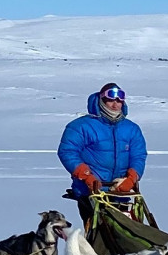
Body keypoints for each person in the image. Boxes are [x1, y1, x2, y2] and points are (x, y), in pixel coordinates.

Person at [57, 82, 146, 226]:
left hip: (120, 192)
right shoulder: (81, 126)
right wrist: (86, 176)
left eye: (119, 100)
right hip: (90, 192)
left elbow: (139, 155)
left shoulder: (132, 129)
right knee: (98, 234)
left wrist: (132, 177)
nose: (115, 104)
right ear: (101, 100)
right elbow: (67, 151)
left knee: (125, 233)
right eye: (111, 100)